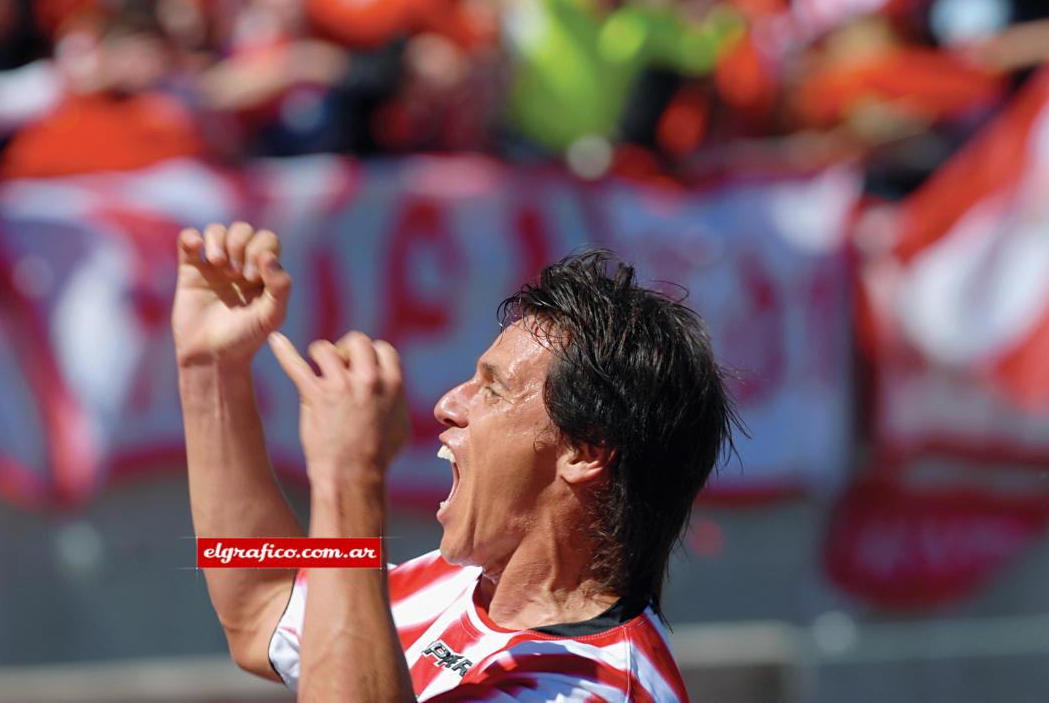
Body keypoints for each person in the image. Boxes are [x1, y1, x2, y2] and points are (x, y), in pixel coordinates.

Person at [173, 221, 739, 701]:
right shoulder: (456, 585)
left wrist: (349, 482)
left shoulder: (599, 686)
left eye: (491, 390)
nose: (446, 405)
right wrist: (211, 369)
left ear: (585, 451)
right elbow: (262, 602)